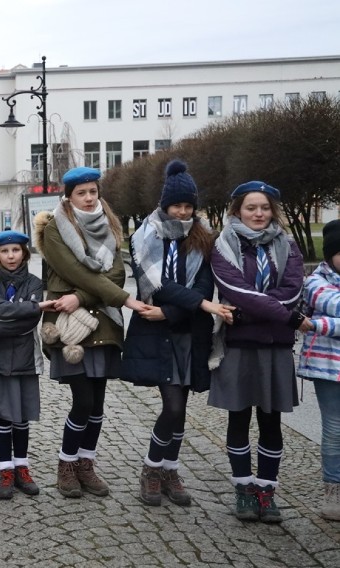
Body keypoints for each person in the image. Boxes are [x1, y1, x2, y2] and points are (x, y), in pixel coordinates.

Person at [121, 161, 234, 506]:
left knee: (181, 407)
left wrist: (173, 310)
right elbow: (158, 285)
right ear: (164, 205)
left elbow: (202, 285)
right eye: (176, 205)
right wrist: (197, 304)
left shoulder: (204, 239)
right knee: (171, 405)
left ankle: (169, 470)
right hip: (155, 334)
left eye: (188, 205)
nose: (182, 211)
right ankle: (151, 469)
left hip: (187, 331)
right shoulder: (143, 237)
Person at [35, 167, 149, 498]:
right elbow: (76, 272)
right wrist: (124, 300)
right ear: (68, 197)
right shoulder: (55, 228)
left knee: (97, 403)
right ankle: (66, 464)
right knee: (82, 400)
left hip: (102, 321)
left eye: (93, 191)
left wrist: (83, 297)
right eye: (81, 192)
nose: (88, 198)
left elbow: (114, 275)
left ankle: (86, 464)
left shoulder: (110, 225)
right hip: (69, 325)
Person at [209, 181, 308, 523]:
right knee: (239, 418)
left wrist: (256, 311)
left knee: (271, 421)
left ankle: (267, 491)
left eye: (264, 207)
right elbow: (235, 289)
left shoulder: (289, 246)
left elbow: (292, 291)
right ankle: (243, 490)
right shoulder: (223, 246)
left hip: (275, 347)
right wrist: (287, 317)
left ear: (273, 211)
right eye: (251, 207)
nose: (259, 213)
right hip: (239, 346)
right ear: (238, 210)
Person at [0, 230, 56, 499]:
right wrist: (33, 307)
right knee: (2, 415)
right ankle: (5, 470)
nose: (11, 256)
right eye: (4, 251)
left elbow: (27, 323)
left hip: (24, 357)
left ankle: (22, 468)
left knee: (21, 416)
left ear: (24, 252)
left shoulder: (35, 282)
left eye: (15, 250)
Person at [298, 219, 340, 521]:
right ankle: (333, 489)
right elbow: (333, 304)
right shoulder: (315, 281)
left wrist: (319, 324)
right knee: (335, 429)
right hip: (329, 369)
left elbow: (325, 318)